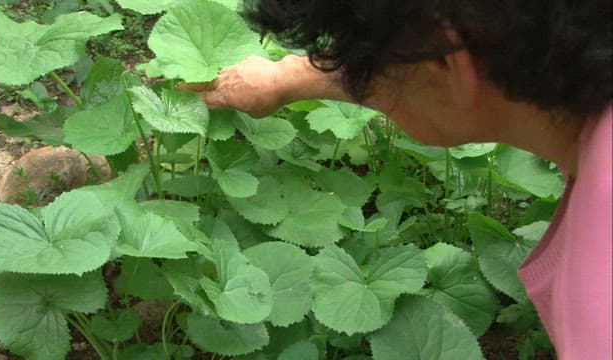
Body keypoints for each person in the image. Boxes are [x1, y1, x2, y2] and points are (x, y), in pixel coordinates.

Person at [184, 1, 612, 358]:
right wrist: (286, 78)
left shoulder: (599, 315)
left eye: (354, 54)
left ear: (443, 57)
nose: (352, 68)